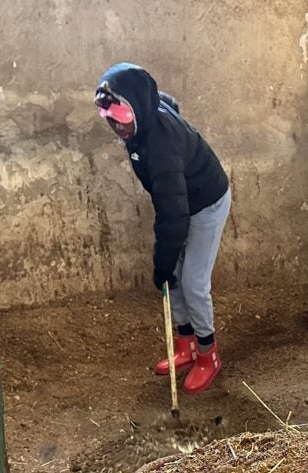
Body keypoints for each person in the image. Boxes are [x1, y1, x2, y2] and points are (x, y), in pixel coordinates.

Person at [95, 63, 231, 394]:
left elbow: (174, 216)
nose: (118, 128)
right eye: (111, 120)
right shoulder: (144, 118)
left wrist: (161, 265)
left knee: (192, 282)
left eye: (122, 120)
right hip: (183, 203)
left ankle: (207, 355)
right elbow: (169, 101)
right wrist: (166, 268)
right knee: (175, 278)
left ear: (137, 110)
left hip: (206, 203)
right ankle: (185, 346)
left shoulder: (161, 150)